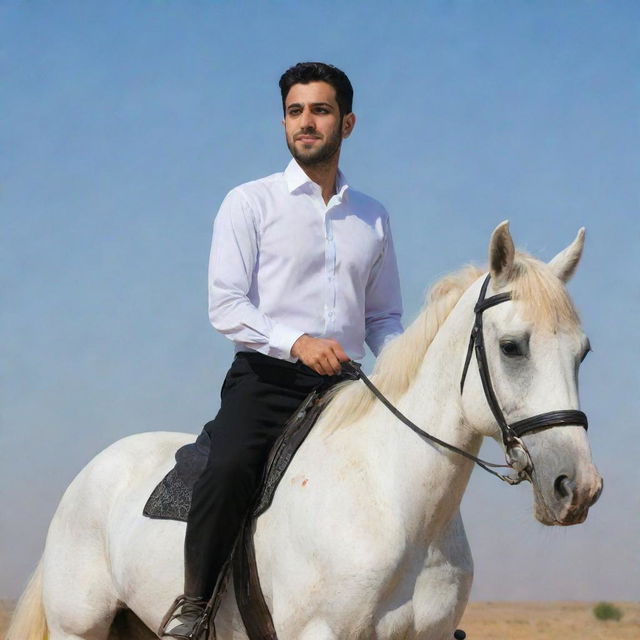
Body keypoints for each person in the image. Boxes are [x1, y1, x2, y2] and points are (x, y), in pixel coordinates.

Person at [162, 61, 403, 639]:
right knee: (227, 469)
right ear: (284, 121)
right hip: (266, 379)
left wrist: (400, 368)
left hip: (346, 383)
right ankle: (194, 608)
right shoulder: (249, 203)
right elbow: (226, 304)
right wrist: (296, 341)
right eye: (295, 111)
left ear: (347, 123)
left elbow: (384, 316)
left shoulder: (372, 216)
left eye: (320, 110)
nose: (306, 122)